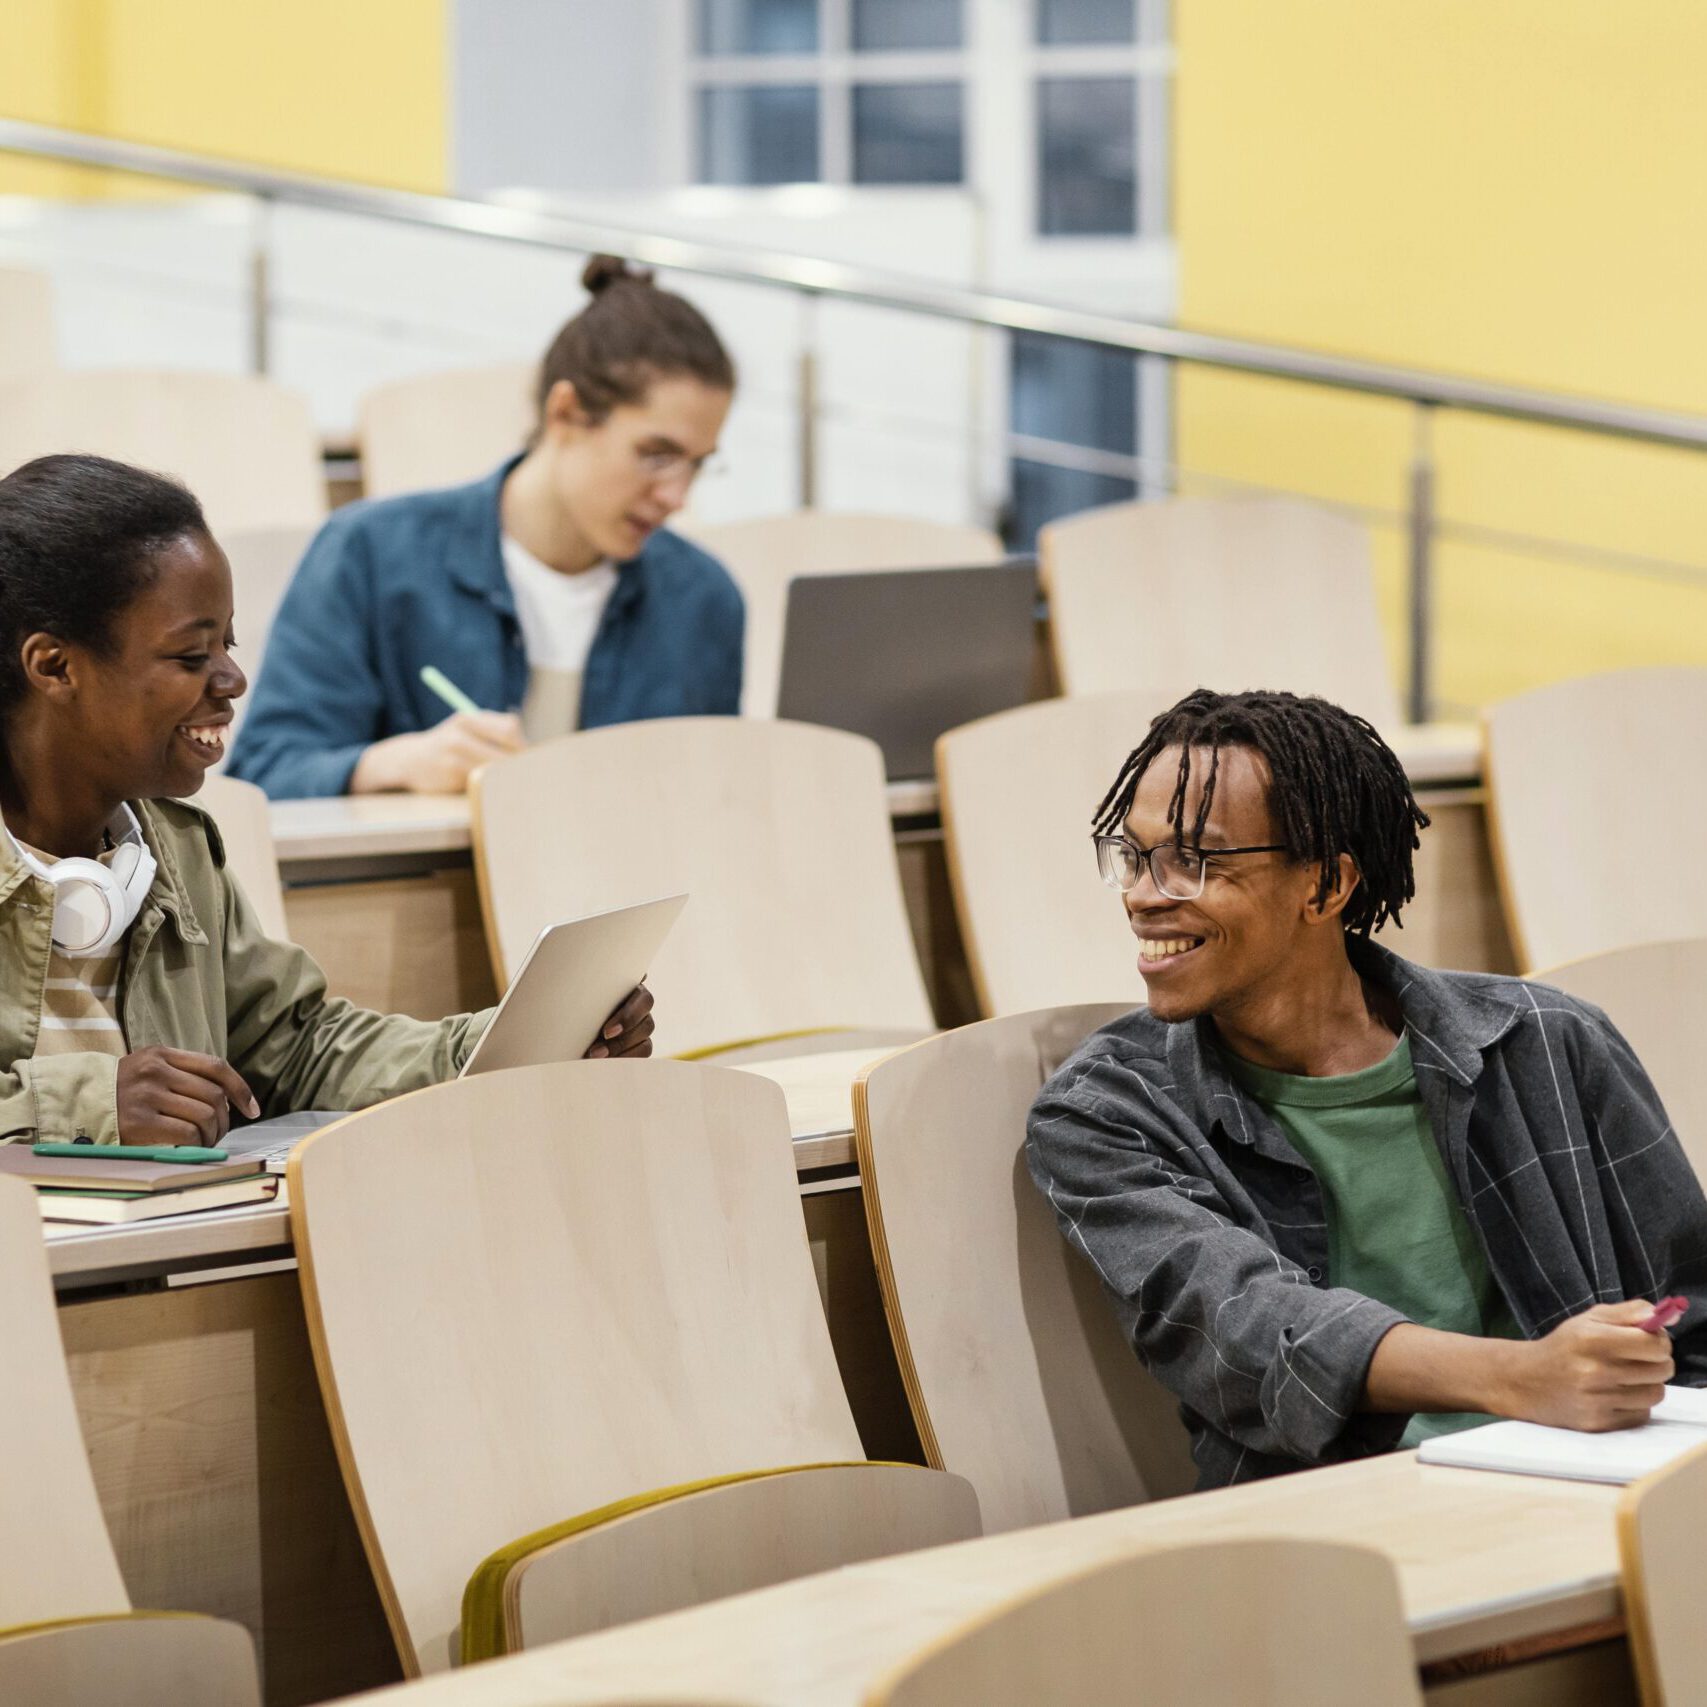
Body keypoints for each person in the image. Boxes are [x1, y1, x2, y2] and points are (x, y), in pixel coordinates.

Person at [1027, 687, 1707, 1489]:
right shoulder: (1104, 1114)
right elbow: (1244, 1330)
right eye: (1135, 857)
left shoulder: (1547, 1040)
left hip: (1602, 1490)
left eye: (1193, 861)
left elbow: (1692, 1315)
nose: (1143, 894)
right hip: (1326, 1525)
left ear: (1324, 885)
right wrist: (1524, 1377)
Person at [0, 454, 652, 1147]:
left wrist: (504, 1046)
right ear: (55, 666)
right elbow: (95, 1106)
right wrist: (90, 1102)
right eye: (192, 655)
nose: (233, 678)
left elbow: (298, 1048)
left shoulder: (176, 850)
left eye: (228, 642)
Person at [228, 255, 743, 800]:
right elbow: (265, 777)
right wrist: (391, 763)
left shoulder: (705, 600)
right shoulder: (370, 554)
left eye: (698, 463)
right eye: (656, 454)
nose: (677, 496)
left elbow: (712, 805)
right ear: (565, 412)